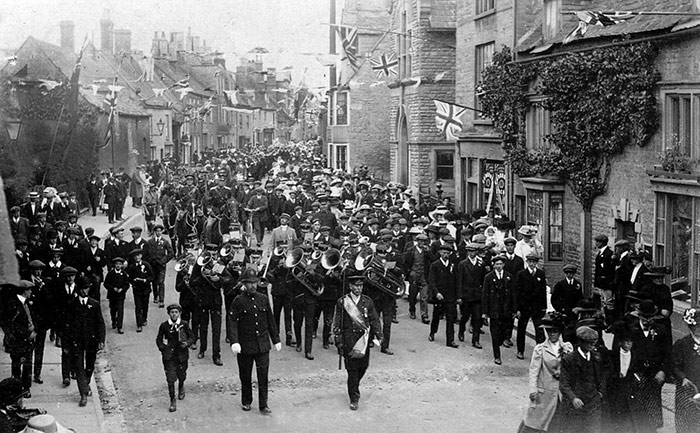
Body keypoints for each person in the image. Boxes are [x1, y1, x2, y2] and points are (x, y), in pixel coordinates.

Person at [227, 268, 281, 414]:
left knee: (263, 376)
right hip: (245, 345)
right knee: (245, 375)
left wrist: (276, 339)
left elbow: (270, 320)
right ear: (244, 284)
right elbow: (232, 322)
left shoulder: (263, 298)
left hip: (262, 345)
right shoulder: (238, 301)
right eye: (250, 283)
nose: (253, 286)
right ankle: (246, 401)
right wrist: (234, 341)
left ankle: (264, 404)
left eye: (255, 282)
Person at [331, 273, 382, 411]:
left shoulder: (367, 301)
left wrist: (379, 334)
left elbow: (374, 319)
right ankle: (354, 397)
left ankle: (354, 385)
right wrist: (338, 339)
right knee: (352, 370)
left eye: (361, 285)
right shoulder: (343, 302)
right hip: (349, 340)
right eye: (356, 286)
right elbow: (338, 322)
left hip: (364, 341)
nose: (359, 288)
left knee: (363, 367)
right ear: (350, 286)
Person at [518, 313, 573, 433]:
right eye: (549, 331)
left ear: (560, 332)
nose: (552, 334)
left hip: (560, 393)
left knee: (555, 424)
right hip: (544, 393)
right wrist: (533, 389)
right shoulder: (540, 349)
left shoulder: (567, 348)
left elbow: (571, 369)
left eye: (555, 331)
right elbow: (533, 371)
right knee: (535, 423)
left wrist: (562, 372)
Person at [65, 281, 105, 407]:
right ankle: (83, 394)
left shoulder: (94, 304)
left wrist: (101, 340)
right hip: (76, 341)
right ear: (78, 290)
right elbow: (67, 325)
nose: (83, 291)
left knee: (90, 364)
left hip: (91, 341)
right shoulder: (72, 305)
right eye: (81, 289)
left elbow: (100, 324)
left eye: (86, 288)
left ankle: (86, 382)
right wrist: (66, 343)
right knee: (78, 366)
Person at [560, 325, 606, 433]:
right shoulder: (569, 359)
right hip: (575, 405)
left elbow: (602, 378)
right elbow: (564, 384)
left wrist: (600, 393)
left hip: (593, 404)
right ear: (581, 342)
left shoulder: (596, 358)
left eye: (593, 342)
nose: (592, 345)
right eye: (588, 342)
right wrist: (573, 398)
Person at [156, 304, 195, 413]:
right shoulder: (164, 326)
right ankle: (172, 399)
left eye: (176, 312)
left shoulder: (184, 324)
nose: (174, 314)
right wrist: (163, 348)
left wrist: (187, 343)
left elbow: (192, 337)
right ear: (169, 314)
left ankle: (181, 385)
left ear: (179, 313)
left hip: (182, 355)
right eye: (172, 312)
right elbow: (159, 339)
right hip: (169, 356)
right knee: (170, 378)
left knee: (182, 374)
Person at [1, 281, 36, 397]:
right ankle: (16, 389)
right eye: (29, 290)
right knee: (17, 365)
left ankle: (26, 388)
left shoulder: (27, 303)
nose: (31, 292)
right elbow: (12, 325)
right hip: (18, 341)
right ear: (24, 291)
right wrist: (27, 334)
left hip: (27, 342)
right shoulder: (13, 305)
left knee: (27, 365)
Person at [481, 255, 515, 365]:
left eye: (500, 264)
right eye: (497, 264)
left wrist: (515, 309)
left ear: (504, 265)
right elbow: (485, 295)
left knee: (503, 332)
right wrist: (485, 312)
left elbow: (513, 294)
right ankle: (497, 356)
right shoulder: (489, 277)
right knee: (494, 333)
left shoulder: (509, 277)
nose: (499, 266)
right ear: (493, 265)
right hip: (494, 310)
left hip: (506, 310)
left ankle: (500, 341)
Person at [515, 255, 547, 360]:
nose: (532, 264)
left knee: (539, 330)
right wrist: (518, 309)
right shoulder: (521, 274)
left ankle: (540, 351)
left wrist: (544, 307)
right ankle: (520, 351)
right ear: (527, 262)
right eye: (530, 262)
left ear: (536, 263)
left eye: (534, 262)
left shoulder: (540, 274)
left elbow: (543, 292)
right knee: (521, 330)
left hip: (537, 307)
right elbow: (518, 293)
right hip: (524, 307)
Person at [427, 245, 460, 348]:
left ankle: (450, 340)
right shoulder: (435, 265)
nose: (446, 255)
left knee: (450, 318)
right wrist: (436, 293)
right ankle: (432, 332)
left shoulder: (452, 266)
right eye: (444, 253)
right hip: (439, 296)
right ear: (440, 253)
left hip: (450, 296)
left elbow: (457, 281)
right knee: (436, 316)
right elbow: (431, 281)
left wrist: (458, 296)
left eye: (447, 253)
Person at [673, 306, 700, 433]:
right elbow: (674, 366)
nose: (698, 329)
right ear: (690, 327)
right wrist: (683, 378)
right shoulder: (682, 344)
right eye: (696, 326)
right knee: (685, 421)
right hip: (688, 387)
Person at [144, 224, 173, 308]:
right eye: (157, 231)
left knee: (161, 282)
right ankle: (155, 296)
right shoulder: (150, 242)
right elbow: (146, 254)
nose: (158, 232)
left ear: (162, 232)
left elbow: (171, 253)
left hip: (161, 265)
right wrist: (149, 262)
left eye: (160, 231)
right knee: (153, 281)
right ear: (154, 232)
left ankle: (161, 300)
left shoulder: (165, 242)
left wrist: (164, 260)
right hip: (152, 265)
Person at [126, 249, 153, 333]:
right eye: (135, 256)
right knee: (138, 306)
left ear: (141, 256)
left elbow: (151, 276)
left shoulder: (146, 265)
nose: (137, 257)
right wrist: (133, 281)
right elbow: (129, 278)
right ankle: (139, 324)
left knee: (145, 305)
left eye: (138, 255)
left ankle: (144, 318)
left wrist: (146, 280)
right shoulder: (132, 267)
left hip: (146, 288)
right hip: (137, 289)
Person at [103, 257, 129, 334]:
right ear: (114, 265)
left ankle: (119, 326)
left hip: (121, 295)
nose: (118, 266)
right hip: (112, 295)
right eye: (117, 264)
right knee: (113, 309)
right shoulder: (110, 274)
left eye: (120, 264)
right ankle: (114, 321)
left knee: (120, 310)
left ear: (122, 265)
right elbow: (106, 284)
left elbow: (127, 284)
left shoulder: (124, 274)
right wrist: (113, 288)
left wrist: (122, 289)